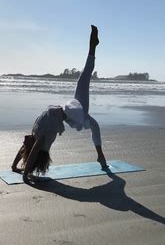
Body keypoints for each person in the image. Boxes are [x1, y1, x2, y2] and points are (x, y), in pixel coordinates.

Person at [11, 25, 108, 184]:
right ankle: (100, 155)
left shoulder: (39, 136)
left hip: (67, 110)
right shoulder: (42, 133)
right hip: (75, 114)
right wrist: (21, 170)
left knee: (84, 77)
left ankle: (100, 155)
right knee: (93, 121)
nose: (46, 150)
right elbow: (32, 147)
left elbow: (29, 146)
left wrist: (20, 170)